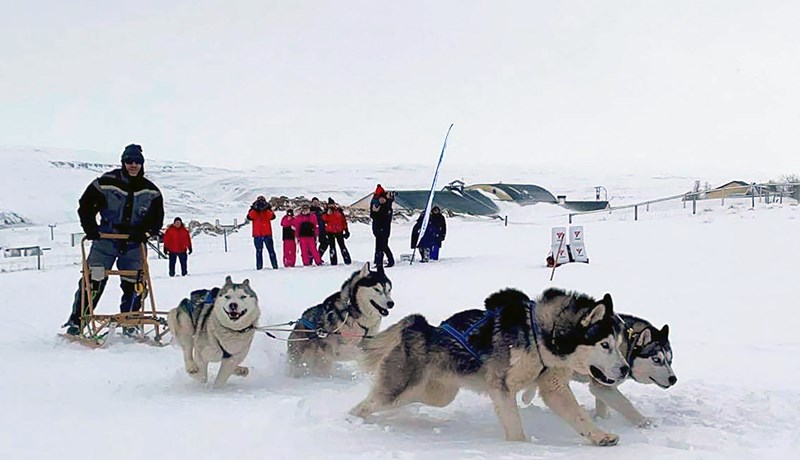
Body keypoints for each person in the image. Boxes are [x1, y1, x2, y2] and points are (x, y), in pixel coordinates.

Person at [64, 144, 164, 336]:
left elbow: (156, 219)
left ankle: (130, 321)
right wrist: (91, 229)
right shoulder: (105, 182)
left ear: (142, 164)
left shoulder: (151, 191)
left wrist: (144, 233)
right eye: (129, 161)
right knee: (93, 279)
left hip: (134, 242)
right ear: (123, 162)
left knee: (135, 282)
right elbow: (85, 206)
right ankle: (78, 321)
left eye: (137, 162)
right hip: (106, 239)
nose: (133, 165)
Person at [246, 195, 278, 270]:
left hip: (266, 233)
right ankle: (259, 267)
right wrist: (255, 209)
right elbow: (250, 217)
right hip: (258, 234)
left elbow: (272, 216)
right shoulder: (253, 209)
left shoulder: (268, 209)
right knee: (259, 252)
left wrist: (265, 209)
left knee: (270, 251)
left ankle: (275, 266)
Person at [370, 184, 395, 270]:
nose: (381, 200)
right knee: (378, 246)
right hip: (377, 228)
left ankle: (391, 260)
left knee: (384, 245)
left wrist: (377, 212)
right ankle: (378, 262)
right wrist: (374, 212)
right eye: (380, 199)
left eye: (382, 199)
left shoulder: (387, 207)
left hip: (385, 229)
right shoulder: (378, 206)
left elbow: (385, 218)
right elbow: (373, 216)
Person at [321, 197, 351, 265]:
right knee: (332, 247)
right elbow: (323, 220)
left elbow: (344, 221)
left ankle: (347, 260)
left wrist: (346, 230)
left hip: (339, 231)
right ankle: (333, 262)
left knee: (342, 246)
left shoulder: (339, 211)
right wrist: (326, 213)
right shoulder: (326, 212)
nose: (331, 206)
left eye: (332, 204)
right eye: (330, 205)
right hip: (330, 232)